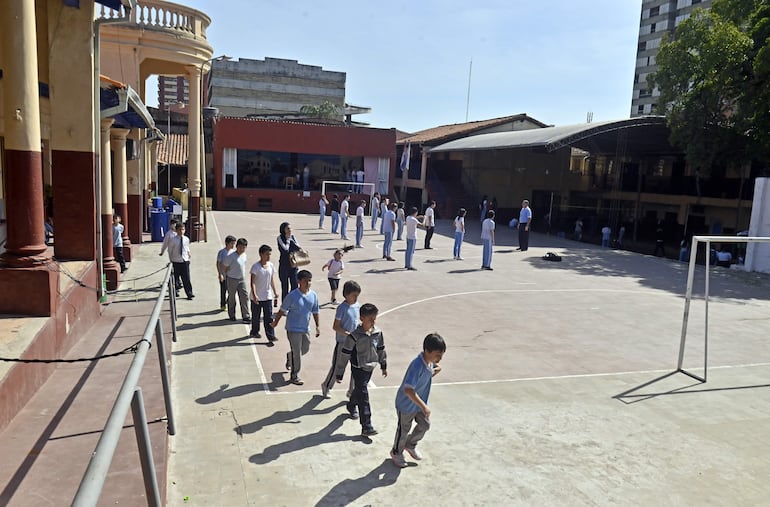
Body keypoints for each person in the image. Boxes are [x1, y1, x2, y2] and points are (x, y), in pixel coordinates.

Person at [389, 332, 446, 468]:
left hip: (418, 405)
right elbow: (408, 390)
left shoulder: (429, 363)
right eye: (438, 355)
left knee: (425, 425)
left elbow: (426, 374)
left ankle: (410, 444)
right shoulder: (417, 365)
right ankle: (396, 452)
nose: (440, 358)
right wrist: (424, 406)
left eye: (442, 355)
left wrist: (436, 370)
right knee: (404, 430)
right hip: (406, 405)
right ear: (427, 351)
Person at [335, 303, 387, 437]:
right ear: (362, 318)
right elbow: (345, 354)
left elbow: (381, 349)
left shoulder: (378, 333)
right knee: (363, 395)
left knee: (359, 390)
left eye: (374, 319)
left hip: (370, 367)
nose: (373, 322)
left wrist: (383, 364)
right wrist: (339, 373)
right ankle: (367, 426)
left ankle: (351, 404)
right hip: (358, 368)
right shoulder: (354, 336)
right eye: (370, 319)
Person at [271, 269, 320, 386]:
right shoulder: (292, 296)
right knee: (297, 353)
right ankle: (294, 375)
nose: (308, 283)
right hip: (293, 329)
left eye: (309, 281)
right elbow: (282, 310)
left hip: (305, 328)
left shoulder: (313, 295)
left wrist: (318, 326)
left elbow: (315, 311)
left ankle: (290, 356)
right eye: (305, 281)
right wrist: (275, 323)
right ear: (299, 281)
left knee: (305, 349)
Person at [321, 280, 360, 399]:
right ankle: (326, 386)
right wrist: (347, 334)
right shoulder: (342, 308)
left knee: (355, 367)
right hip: (343, 343)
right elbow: (336, 326)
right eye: (354, 295)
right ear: (347, 294)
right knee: (337, 366)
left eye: (357, 295)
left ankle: (352, 391)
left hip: (355, 343)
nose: (356, 298)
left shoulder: (357, 306)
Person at [249, 244, 279, 346]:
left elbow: (271, 279)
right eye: (267, 254)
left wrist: (275, 292)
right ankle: (254, 331)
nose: (269, 256)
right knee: (256, 316)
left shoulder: (271, 266)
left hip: (267, 296)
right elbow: (252, 282)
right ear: (261, 254)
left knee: (269, 317)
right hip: (256, 297)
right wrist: (255, 294)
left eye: (269, 254)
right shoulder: (255, 267)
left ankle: (271, 335)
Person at [222, 237, 251, 323]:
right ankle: (232, 315)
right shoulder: (231, 257)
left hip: (241, 279)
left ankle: (246, 316)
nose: (242, 249)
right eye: (241, 247)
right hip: (232, 279)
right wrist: (228, 275)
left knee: (244, 297)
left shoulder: (244, 255)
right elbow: (225, 267)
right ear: (237, 247)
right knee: (232, 298)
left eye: (244, 247)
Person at [169, 222, 194, 299]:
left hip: (185, 260)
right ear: (176, 231)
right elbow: (170, 250)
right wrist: (171, 259)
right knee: (175, 278)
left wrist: (188, 253)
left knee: (186, 278)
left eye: (182, 229)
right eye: (179, 230)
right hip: (176, 261)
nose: (181, 231)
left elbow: (186, 247)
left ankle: (189, 293)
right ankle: (175, 291)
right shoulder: (173, 240)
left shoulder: (186, 239)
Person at [277, 222, 301, 300]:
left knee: (295, 286)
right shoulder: (280, 238)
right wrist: (287, 240)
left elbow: (299, 248)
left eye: (290, 228)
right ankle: (284, 306)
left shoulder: (293, 237)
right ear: (283, 230)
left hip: (293, 265)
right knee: (285, 287)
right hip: (284, 265)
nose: (290, 230)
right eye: (288, 228)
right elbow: (285, 249)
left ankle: (293, 303)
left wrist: (291, 240)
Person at [160, 218, 181, 290]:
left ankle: (179, 281)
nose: (174, 226)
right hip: (172, 254)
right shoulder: (169, 234)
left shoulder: (179, 233)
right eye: (173, 224)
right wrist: (162, 251)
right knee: (174, 268)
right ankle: (175, 283)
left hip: (180, 254)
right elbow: (165, 243)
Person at [216, 235, 236, 311]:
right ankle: (223, 304)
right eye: (232, 243)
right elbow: (218, 263)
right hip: (224, 275)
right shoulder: (222, 252)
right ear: (227, 243)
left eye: (234, 243)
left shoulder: (234, 252)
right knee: (223, 290)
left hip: (232, 276)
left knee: (232, 292)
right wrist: (220, 274)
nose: (233, 245)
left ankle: (228, 302)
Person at [405, 206, 424, 271]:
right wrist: (424, 219)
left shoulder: (408, 217)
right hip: (413, 237)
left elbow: (414, 218)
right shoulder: (414, 219)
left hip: (408, 236)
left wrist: (419, 217)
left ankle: (407, 263)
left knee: (408, 251)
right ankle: (409, 265)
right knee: (411, 252)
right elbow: (421, 225)